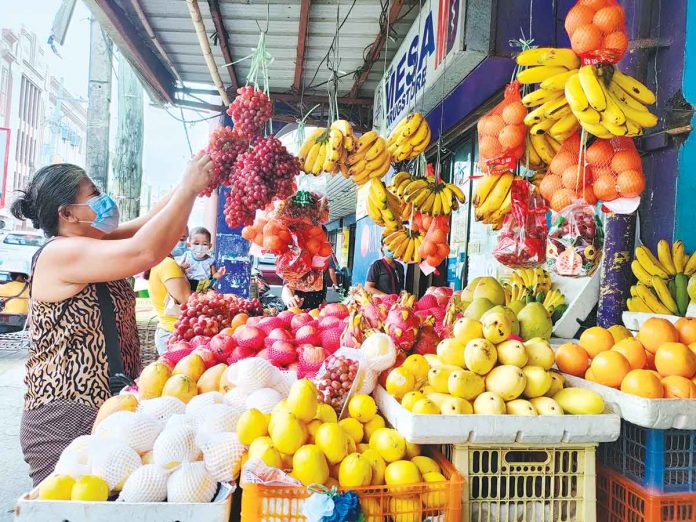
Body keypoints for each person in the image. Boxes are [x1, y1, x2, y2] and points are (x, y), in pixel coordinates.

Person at [11, 154, 213, 486]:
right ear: (67, 214)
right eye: (93, 193)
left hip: (110, 408)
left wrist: (193, 177)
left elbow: (151, 221)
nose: (103, 199)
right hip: (66, 415)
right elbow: (145, 252)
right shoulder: (60, 253)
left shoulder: (95, 242)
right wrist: (190, 189)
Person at [148, 229, 193, 354]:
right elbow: (186, 301)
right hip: (173, 333)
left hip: (169, 330)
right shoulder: (168, 264)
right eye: (182, 239)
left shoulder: (161, 261)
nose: (184, 244)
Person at [177, 226, 226, 291]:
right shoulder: (186, 256)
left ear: (209, 246)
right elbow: (178, 271)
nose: (200, 247)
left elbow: (214, 275)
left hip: (204, 286)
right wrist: (181, 267)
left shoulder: (210, 260)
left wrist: (219, 274)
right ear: (189, 245)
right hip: (187, 285)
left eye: (205, 244)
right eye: (196, 243)